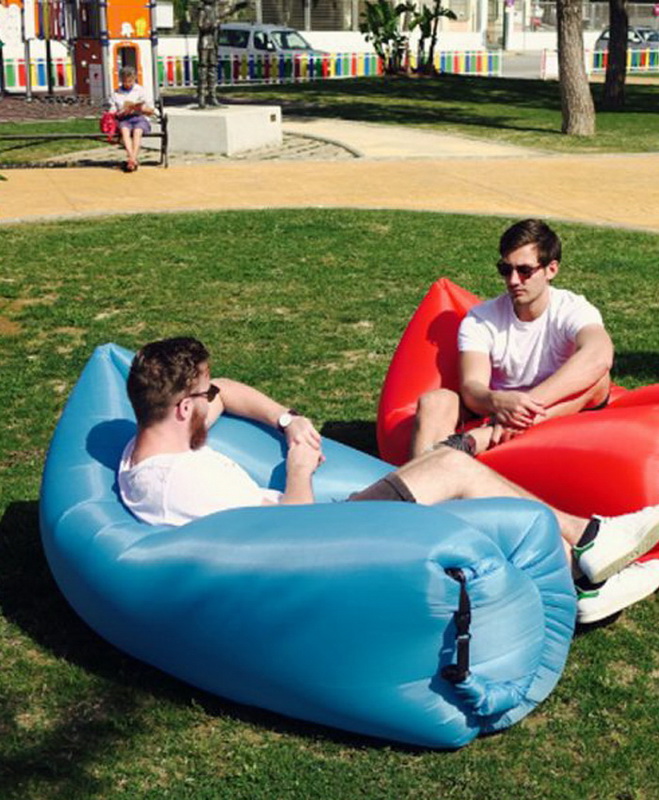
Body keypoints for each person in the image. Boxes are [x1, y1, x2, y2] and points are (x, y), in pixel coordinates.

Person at [117, 337, 659, 626]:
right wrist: (300, 468)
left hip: (326, 524)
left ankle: (582, 568)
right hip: (325, 548)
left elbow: (229, 389)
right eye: (205, 395)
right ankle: (589, 540)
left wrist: (287, 420)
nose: (215, 398)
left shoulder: (158, 436)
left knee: (453, 473)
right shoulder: (181, 482)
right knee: (451, 468)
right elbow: (288, 539)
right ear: (183, 407)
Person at [410, 219, 614, 459]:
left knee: (599, 381)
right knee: (434, 401)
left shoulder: (572, 309)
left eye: (525, 270)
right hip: (496, 407)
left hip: (551, 405)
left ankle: (479, 439)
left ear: (551, 269)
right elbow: (472, 388)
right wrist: (497, 400)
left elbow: (600, 355)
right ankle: (418, 476)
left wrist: (524, 406)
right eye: (506, 269)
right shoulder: (481, 319)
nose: (514, 280)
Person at [107, 66, 154, 173]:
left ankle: (131, 159)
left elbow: (151, 110)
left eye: (130, 81)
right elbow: (112, 110)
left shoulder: (141, 90)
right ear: (121, 80)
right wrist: (118, 112)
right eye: (125, 81)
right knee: (125, 131)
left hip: (139, 117)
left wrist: (140, 108)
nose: (127, 84)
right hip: (124, 119)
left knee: (137, 131)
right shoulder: (116, 93)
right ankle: (132, 159)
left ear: (134, 79)